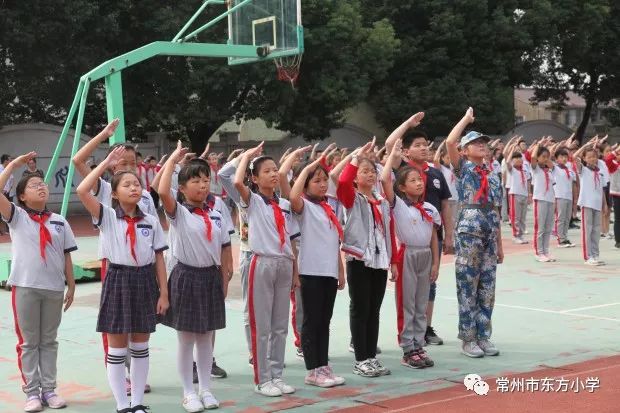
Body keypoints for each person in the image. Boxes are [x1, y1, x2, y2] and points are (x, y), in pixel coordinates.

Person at [76, 146, 169, 413]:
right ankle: (121, 405)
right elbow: (83, 190)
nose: (134, 188)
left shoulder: (150, 220)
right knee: (117, 349)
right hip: (118, 278)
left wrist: (163, 293)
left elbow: (159, 259)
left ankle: (137, 402)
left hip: (144, 281)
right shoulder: (106, 215)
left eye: (137, 184)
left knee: (141, 345)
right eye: (126, 185)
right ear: (114, 193)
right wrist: (105, 163)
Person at [158, 142, 232, 411]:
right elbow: (162, 190)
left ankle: (206, 390)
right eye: (196, 181)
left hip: (210, 278)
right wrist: (173, 161)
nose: (203, 185)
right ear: (183, 187)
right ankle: (188, 392)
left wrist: (224, 277)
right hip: (186, 277)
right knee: (186, 338)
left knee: (206, 337)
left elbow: (224, 247)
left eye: (206, 180)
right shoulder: (178, 212)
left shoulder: (216, 213)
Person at [1, 153, 77, 412]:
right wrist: (13, 166)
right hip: (26, 287)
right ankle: (32, 392)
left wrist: (71, 285)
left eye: (42, 184)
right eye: (33, 186)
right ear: (21, 196)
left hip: (54, 288)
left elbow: (66, 255)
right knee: (28, 342)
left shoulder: (59, 221)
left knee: (49, 341)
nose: (41, 187)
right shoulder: (17, 217)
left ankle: (50, 389)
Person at [233, 142, 300, 397]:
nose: (273, 174)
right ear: (255, 177)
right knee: (261, 324)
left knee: (280, 324)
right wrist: (247, 157)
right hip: (262, 263)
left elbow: (291, 239)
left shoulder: (283, 204)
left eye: (275, 170)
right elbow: (238, 183)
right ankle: (262, 379)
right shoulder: (253, 202)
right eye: (267, 171)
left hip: (284, 264)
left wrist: (294, 271)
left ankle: (277, 375)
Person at [385, 113, 453, 347]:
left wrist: (449, 236)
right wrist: (407, 125)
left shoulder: (434, 174)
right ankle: (409, 341)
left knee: (427, 288)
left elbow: (444, 203)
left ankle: (424, 331)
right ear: (406, 151)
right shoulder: (401, 171)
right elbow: (388, 146)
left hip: (429, 238)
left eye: (426, 145)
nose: (424, 148)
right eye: (417, 145)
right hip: (408, 243)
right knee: (408, 296)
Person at [283, 147, 347, 388]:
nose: (322, 185)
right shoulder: (304, 207)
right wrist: (307, 167)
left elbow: (333, 243)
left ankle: (323, 365)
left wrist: (340, 271)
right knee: (311, 321)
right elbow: (291, 194)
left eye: (324, 180)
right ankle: (312, 369)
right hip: (310, 272)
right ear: (305, 183)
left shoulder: (327, 207)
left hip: (328, 272)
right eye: (316, 180)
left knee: (324, 321)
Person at [445, 108, 504, 358]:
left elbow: (497, 211)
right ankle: (468, 337)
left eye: (483, 143)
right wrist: (466, 121)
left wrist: (500, 245)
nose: (481, 145)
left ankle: (484, 335)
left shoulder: (493, 175)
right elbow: (449, 141)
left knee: (487, 288)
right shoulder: (464, 169)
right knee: (467, 285)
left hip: (490, 234)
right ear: (465, 150)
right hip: (469, 233)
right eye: (475, 142)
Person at [337, 138, 395, 378]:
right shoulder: (352, 200)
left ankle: (372, 356)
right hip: (360, 260)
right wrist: (354, 158)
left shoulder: (381, 201)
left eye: (372, 171)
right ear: (355, 177)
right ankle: (361, 358)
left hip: (379, 261)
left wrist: (393, 262)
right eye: (364, 171)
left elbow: (388, 233)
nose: (370, 175)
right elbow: (341, 182)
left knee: (375, 309)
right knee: (360, 308)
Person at [382, 140, 440, 369]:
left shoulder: (429, 209)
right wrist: (392, 157)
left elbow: (433, 238)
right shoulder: (398, 205)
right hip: (407, 255)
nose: (418, 183)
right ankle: (408, 348)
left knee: (420, 302)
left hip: (425, 256)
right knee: (407, 302)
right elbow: (385, 179)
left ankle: (418, 343)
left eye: (419, 180)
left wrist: (436, 263)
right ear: (402, 188)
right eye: (412, 181)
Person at [573, 139, 606, 265]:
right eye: (590, 157)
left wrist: (605, 204)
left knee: (596, 230)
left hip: (597, 204)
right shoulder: (583, 171)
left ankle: (595, 254)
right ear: (585, 159)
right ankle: (588, 256)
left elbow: (601, 190)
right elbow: (574, 156)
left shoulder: (600, 172)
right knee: (587, 229)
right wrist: (585, 145)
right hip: (587, 203)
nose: (593, 159)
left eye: (594, 157)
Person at [529, 142, 556, 262]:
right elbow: (533, 158)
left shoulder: (549, 171)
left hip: (550, 200)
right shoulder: (535, 169)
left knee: (548, 228)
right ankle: (538, 252)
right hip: (540, 200)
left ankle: (545, 251)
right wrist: (537, 146)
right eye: (543, 156)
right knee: (540, 227)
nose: (545, 159)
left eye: (547, 157)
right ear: (539, 157)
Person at [505, 145, 530, 244]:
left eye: (520, 158)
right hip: (515, 194)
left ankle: (521, 235)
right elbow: (507, 162)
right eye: (516, 159)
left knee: (522, 217)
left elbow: (528, 182)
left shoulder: (524, 170)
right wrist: (511, 150)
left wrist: (529, 194)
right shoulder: (512, 170)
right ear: (513, 160)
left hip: (524, 194)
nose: (519, 160)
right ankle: (515, 235)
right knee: (516, 216)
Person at [552, 148, 577, 247]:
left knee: (567, 218)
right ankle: (560, 239)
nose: (564, 159)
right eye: (561, 157)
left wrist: (575, 197)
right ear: (556, 159)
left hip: (568, 196)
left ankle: (565, 237)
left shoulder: (570, 170)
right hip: (559, 196)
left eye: (566, 157)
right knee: (561, 218)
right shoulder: (555, 168)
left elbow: (573, 184)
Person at [603, 144, 620, 249]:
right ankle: (618, 241)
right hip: (617, 195)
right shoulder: (613, 165)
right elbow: (608, 159)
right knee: (618, 219)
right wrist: (616, 150)